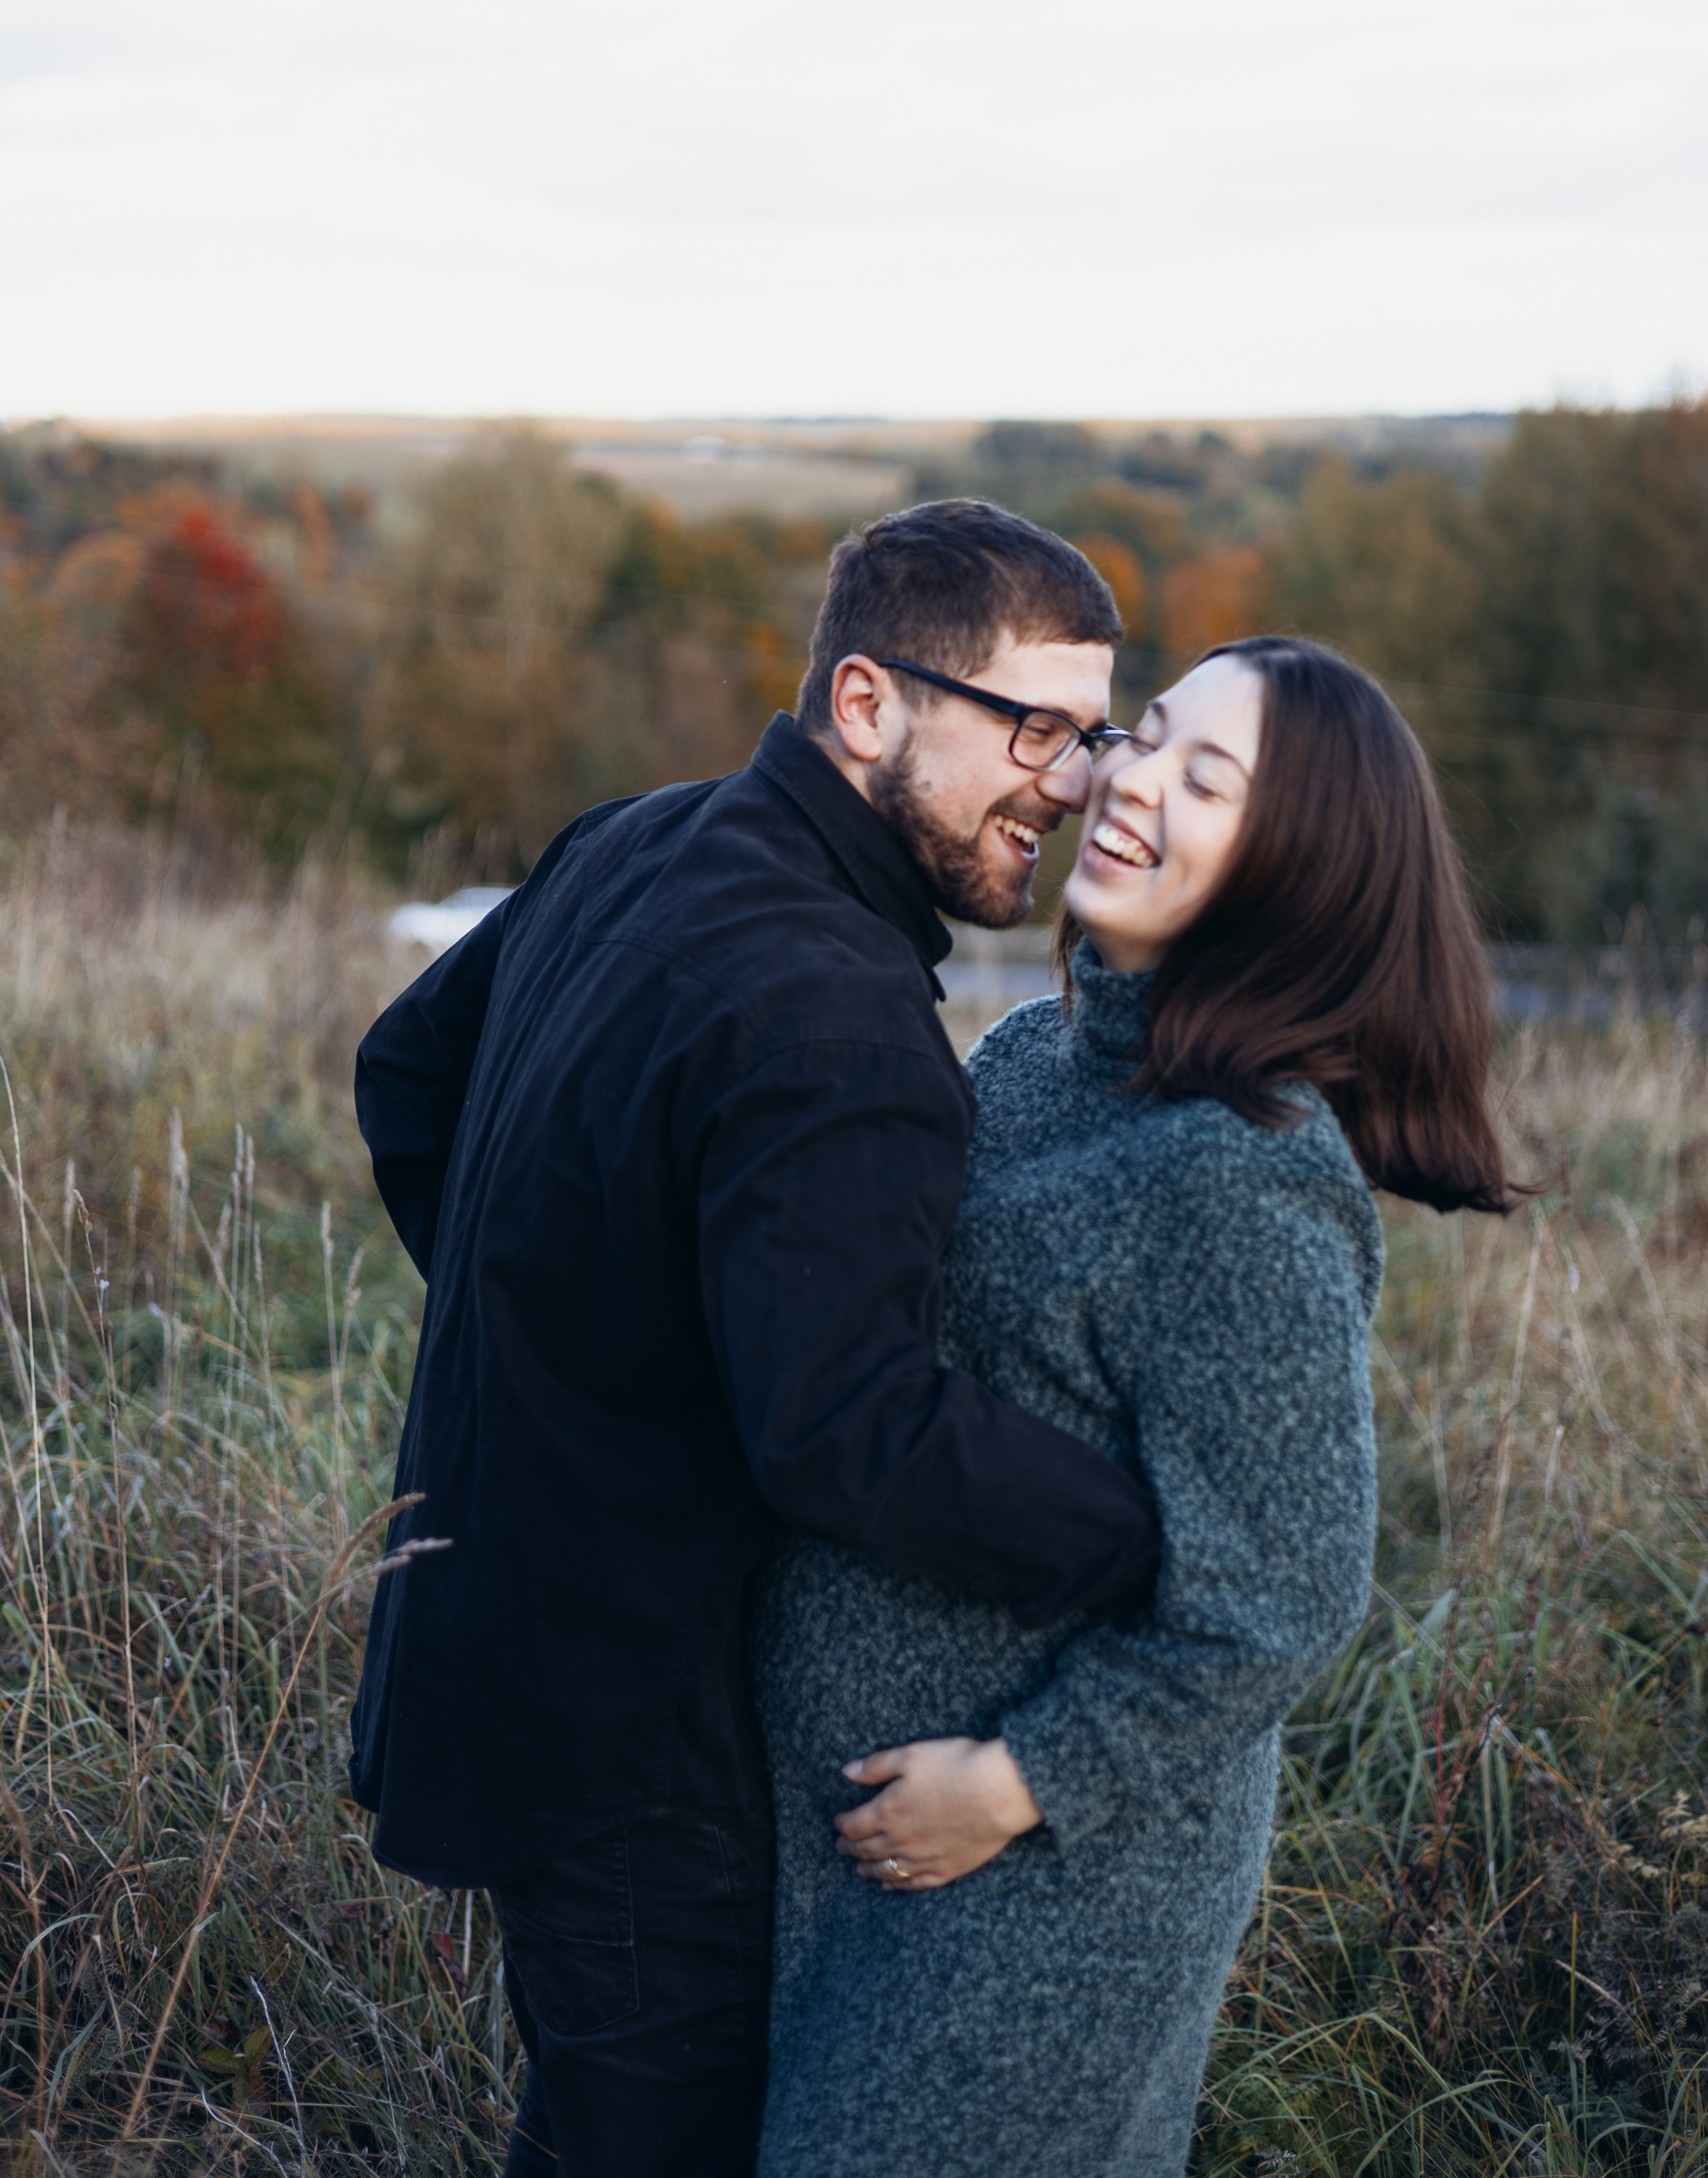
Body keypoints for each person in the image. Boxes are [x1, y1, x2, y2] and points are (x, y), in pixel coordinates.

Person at [346, 501, 1168, 2178]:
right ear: (867, 705)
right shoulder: (834, 1002)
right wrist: (1159, 1540)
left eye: (1090, 735)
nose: (1072, 779)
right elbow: (852, 1431)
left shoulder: (637, 837)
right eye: (1033, 728)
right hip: (632, 1737)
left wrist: (567, 1342)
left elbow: (402, 1080)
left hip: (491, 1656)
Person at [755, 638, 1523, 2178]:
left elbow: (1287, 1594)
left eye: (1206, 779)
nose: (1127, 784)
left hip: (1044, 1892)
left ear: (1295, 872)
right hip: (847, 1850)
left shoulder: (1241, 1178)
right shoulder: (1035, 1055)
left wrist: (1022, 1785)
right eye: (1143, 737)